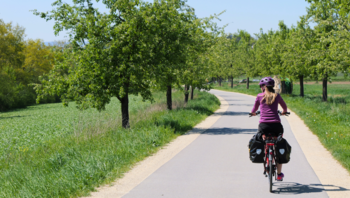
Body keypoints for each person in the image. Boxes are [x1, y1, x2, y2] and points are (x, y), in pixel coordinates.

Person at [250, 77, 288, 181]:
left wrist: (253, 113)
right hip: (276, 126)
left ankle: (265, 161)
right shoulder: (277, 95)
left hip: (264, 126)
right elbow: (284, 108)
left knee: (263, 143)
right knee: (278, 145)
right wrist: (284, 112)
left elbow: (254, 109)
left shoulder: (259, 96)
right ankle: (279, 174)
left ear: (263, 87)